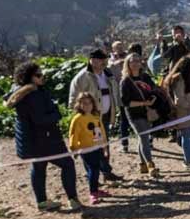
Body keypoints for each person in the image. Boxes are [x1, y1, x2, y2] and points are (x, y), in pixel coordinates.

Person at [6, 62, 82, 212]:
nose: (42, 77)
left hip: (29, 140)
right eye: (38, 75)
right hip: (45, 138)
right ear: (29, 77)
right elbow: (40, 119)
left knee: (39, 166)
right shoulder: (34, 95)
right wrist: (56, 114)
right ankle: (73, 199)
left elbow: (6, 101)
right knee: (67, 164)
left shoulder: (16, 90)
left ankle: (42, 202)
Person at [68, 49, 124, 183]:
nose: (98, 62)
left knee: (103, 144)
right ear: (90, 60)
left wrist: (116, 107)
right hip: (89, 118)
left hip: (104, 115)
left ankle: (106, 172)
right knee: (89, 147)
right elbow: (73, 97)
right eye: (95, 59)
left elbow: (112, 92)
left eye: (101, 59)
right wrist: (79, 114)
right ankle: (91, 175)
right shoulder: (82, 77)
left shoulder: (107, 74)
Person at [120, 53, 165, 178]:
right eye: (132, 61)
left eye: (137, 61)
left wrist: (153, 99)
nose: (135, 63)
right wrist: (143, 102)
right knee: (145, 137)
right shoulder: (125, 81)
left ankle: (143, 165)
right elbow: (125, 102)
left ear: (141, 63)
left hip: (147, 112)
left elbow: (153, 89)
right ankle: (151, 165)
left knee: (143, 138)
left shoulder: (145, 77)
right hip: (134, 114)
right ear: (127, 64)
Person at [68, 91, 109, 204]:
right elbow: (73, 135)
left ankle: (96, 189)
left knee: (97, 169)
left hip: (98, 147)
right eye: (84, 103)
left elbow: (102, 132)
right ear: (79, 104)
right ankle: (93, 192)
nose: (87, 106)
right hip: (86, 149)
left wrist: (105, 146)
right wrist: (74, 148)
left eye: (89, 103)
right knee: (93, 169)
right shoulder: (77, 119)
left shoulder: (95, 117)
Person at [163, 55, 190, 166]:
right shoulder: (179, 78)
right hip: (184, 112)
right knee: (187, 136)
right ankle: (188, 160)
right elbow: (179, 99)